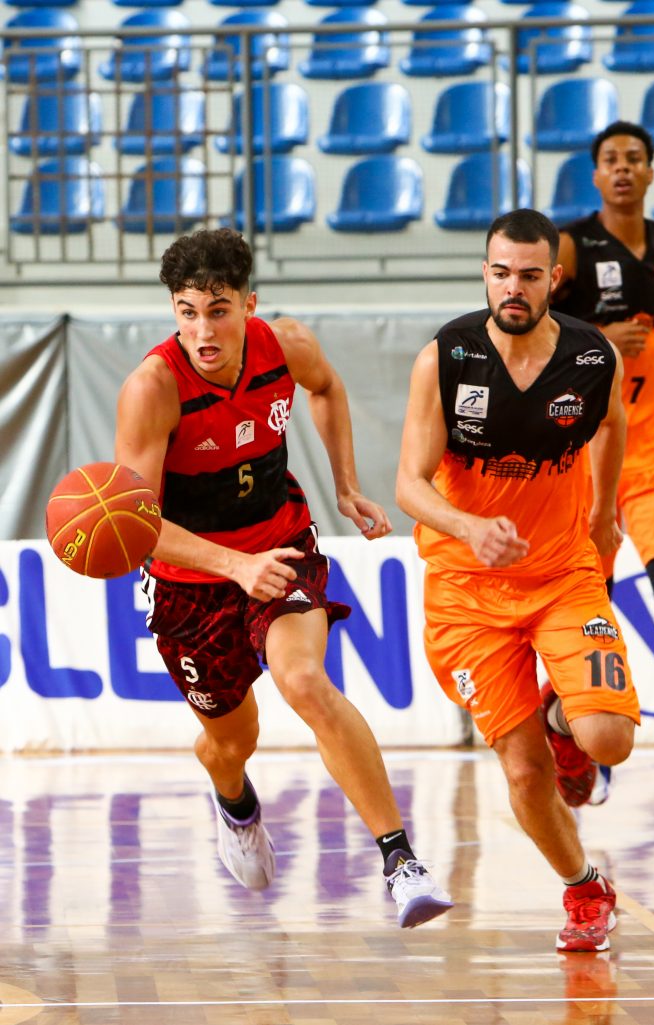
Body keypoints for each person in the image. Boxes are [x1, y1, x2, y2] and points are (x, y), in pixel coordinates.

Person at [114, 227, 452, 929]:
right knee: (230, 741)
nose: (203, 331)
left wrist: (346, 485)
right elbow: (137, 522)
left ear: (249, 304)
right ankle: (235, 803)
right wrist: (235, 567)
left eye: (218, 310)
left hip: (281, 545)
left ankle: (400, 862)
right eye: (187, 312)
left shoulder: (286, 344)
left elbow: (327, 388)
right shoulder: (152, 388)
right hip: (191, 582)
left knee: (305, 681)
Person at [395, 208, 641, 953]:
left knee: (610, 739)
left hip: (562, 573)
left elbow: (612, 426)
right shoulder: (446, 357)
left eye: (529, 275)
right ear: (485, 273)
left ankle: (564, 718)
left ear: (553, 279)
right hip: (467, 592)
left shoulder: (593, 357)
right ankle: (584, 888)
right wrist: (469, 526)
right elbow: (408, 484)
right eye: (500, 273)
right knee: (525, 771)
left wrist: (604, 514)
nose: (513, 287)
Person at [552, 121, 654, 821]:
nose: (622, 169)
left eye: (634, 160)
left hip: (653, 450)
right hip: (584, 457)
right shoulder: (570, 246)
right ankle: (586, 746)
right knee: (589, 607)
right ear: (595, 175)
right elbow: (529, 331)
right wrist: (598, 338)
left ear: (651, 172)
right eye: (610, 160)